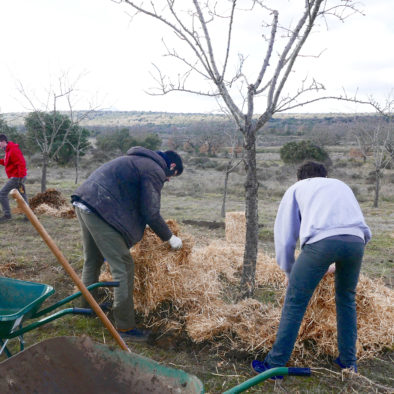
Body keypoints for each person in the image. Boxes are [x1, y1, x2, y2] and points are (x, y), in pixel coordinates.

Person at [252, 161, 371, 378]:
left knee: (296, 301)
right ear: (325, 175)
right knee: (346, 299)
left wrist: (290, 272)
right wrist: (338, 261)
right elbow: (356, 228)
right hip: (357, 242)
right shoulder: (341, 185)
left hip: (321, 244)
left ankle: (274, 365)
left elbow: (285, 237)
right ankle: (348, 363)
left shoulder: (298, 188)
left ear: (300, 178)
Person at [71, 146, 184, 342]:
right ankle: (125, 327)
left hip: (85, 202)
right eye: (172, 175)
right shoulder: (154, 169)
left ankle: (86, 307)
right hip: (99, 208)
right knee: (123, 265)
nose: (169, 179)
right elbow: (151, 212)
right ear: (171, 165)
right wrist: (170, 238)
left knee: (93, 259)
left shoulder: (137, 160)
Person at [0, 134, 28, 222]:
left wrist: (20, 178)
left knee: (2, 193)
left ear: (3, 141)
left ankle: (7, 215)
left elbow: (21, 163)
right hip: (17, 177)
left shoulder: (13, 149)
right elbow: (7, 162)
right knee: (22, 196)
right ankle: (28, 216)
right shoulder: (8, 150)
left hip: (17, 177)